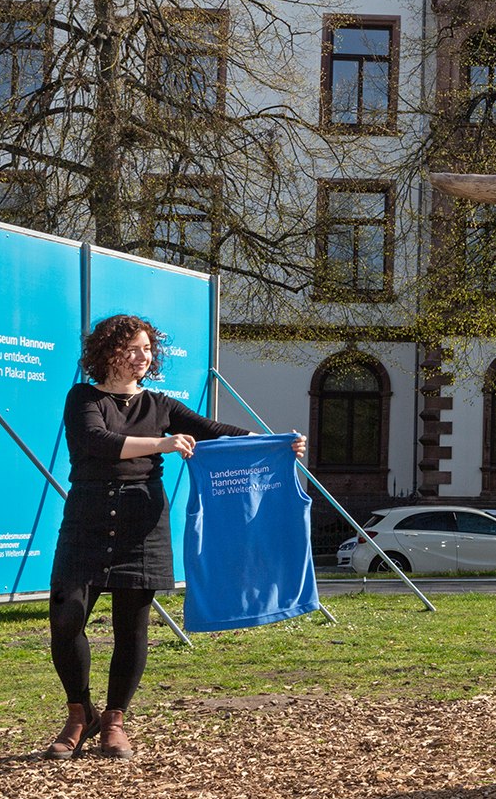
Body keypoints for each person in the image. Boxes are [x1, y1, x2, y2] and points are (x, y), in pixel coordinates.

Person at [45, 314, 306, 759]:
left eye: (148, 349)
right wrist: (163, 444)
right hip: (87, 518)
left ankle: (114, 721)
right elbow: (97, 441)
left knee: (133, 628)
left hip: (142, 522)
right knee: (67, 618)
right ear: (108, 352)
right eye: (133, 348)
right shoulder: (82, 397)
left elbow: (217, 433)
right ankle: (79, 713)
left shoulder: (161, 405)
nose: (142, 357)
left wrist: (278, 443)